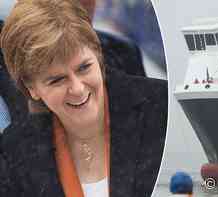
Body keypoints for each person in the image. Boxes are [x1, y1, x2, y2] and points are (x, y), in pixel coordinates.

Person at [0, 0, 167, 197]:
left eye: (84, 67)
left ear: (98, 54)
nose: (77, 89)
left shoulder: (161, 107)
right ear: (31, 88)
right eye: (57, 80)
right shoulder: (13, 152)